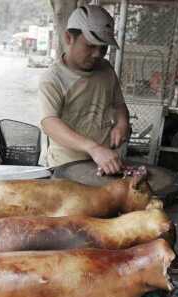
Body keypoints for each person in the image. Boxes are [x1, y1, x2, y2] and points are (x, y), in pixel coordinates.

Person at [38, 5, 130, 175]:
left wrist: (122, 123)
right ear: (68, 38)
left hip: (104, 163)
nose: (97, 54)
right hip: (66, 166)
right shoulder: (53, 78)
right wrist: (93, 148)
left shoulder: (106, 69)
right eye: (90, 46)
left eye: (103, 48)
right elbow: (49, 123)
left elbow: (119, 104)